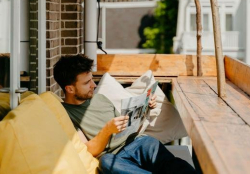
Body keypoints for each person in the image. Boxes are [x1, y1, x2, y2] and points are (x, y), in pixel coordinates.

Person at [53, 54, 196, 174]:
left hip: (138, 142)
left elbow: (129, 129)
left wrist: (145, 110)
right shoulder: (65, 114)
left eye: (92, 79)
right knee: (107, 164)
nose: (94, 85)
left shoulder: (100, 99)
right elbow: (89, 150)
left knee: (167, 160)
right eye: (87, 83)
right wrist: (107, 130)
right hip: (115, 156)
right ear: (70, 89)